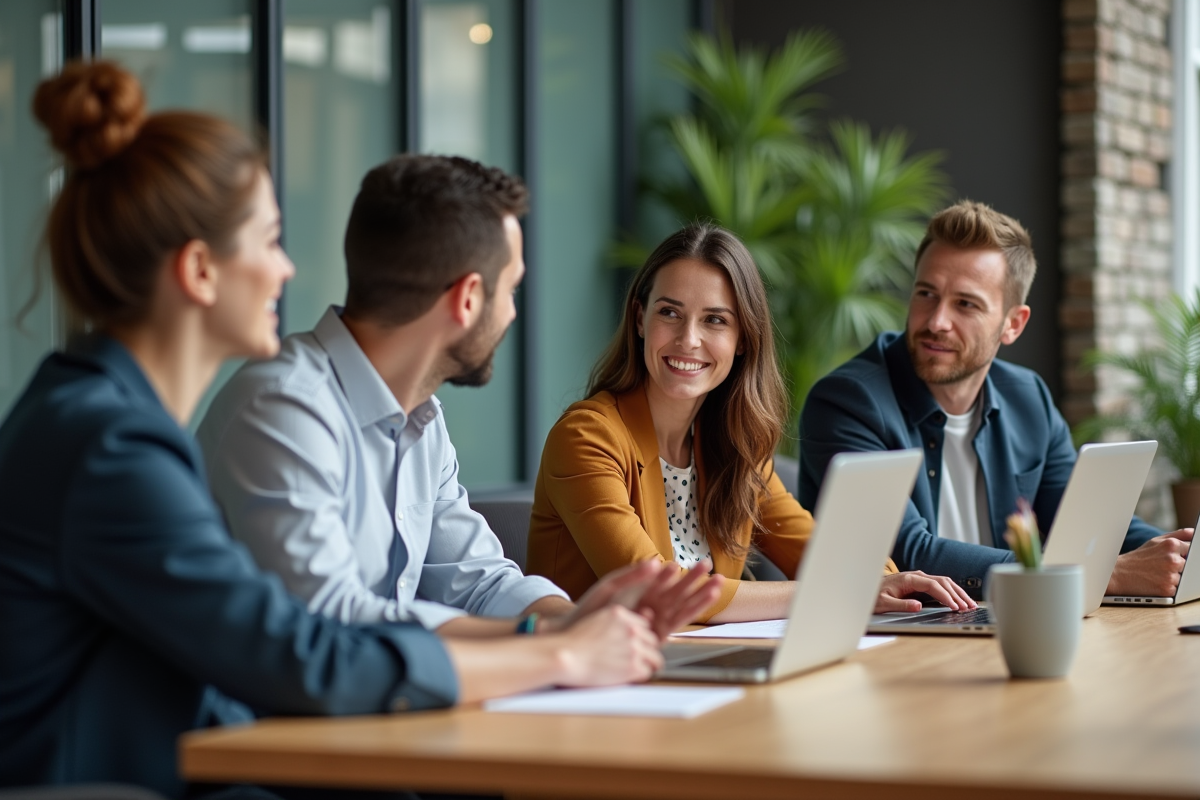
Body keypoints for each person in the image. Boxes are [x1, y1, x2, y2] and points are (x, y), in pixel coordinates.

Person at [0, 61, 711, 798]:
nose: (287, 269)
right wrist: (554, 652)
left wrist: (562, 624)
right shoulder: (114, 446)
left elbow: (401, 599)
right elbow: (303, 649)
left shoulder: (108, 423)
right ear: (200, 273)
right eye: (270, 240)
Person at [197, 154, 715, 640]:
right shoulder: (286, 412)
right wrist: (543, 638)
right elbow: (333, 620)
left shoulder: (421, 419)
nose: (512, 314)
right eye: (510, 291)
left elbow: (481, 581)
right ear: (468, 299)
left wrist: (575, 619)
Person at [525, 223, 975, 622]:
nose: (689, 339)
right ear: (640, 319)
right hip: (588, 688)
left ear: (743, 340)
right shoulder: (586, 437)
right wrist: (837, 592)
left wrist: (884, 581)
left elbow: (814, 548)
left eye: (715, 320)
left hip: (697, 677)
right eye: (669, 313)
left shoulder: (735, 446)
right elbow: (657, 592)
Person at [799, 200, 1193, 599]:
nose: (936, 321)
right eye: (926, 294)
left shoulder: (1028, 398)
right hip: (899, 636)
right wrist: (1099, 575)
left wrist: (1181, 552)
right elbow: (904, 552)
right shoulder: (847, 402)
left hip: (1008, 621)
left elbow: (1094, 525)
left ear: (1013, 324)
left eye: (965, 304)